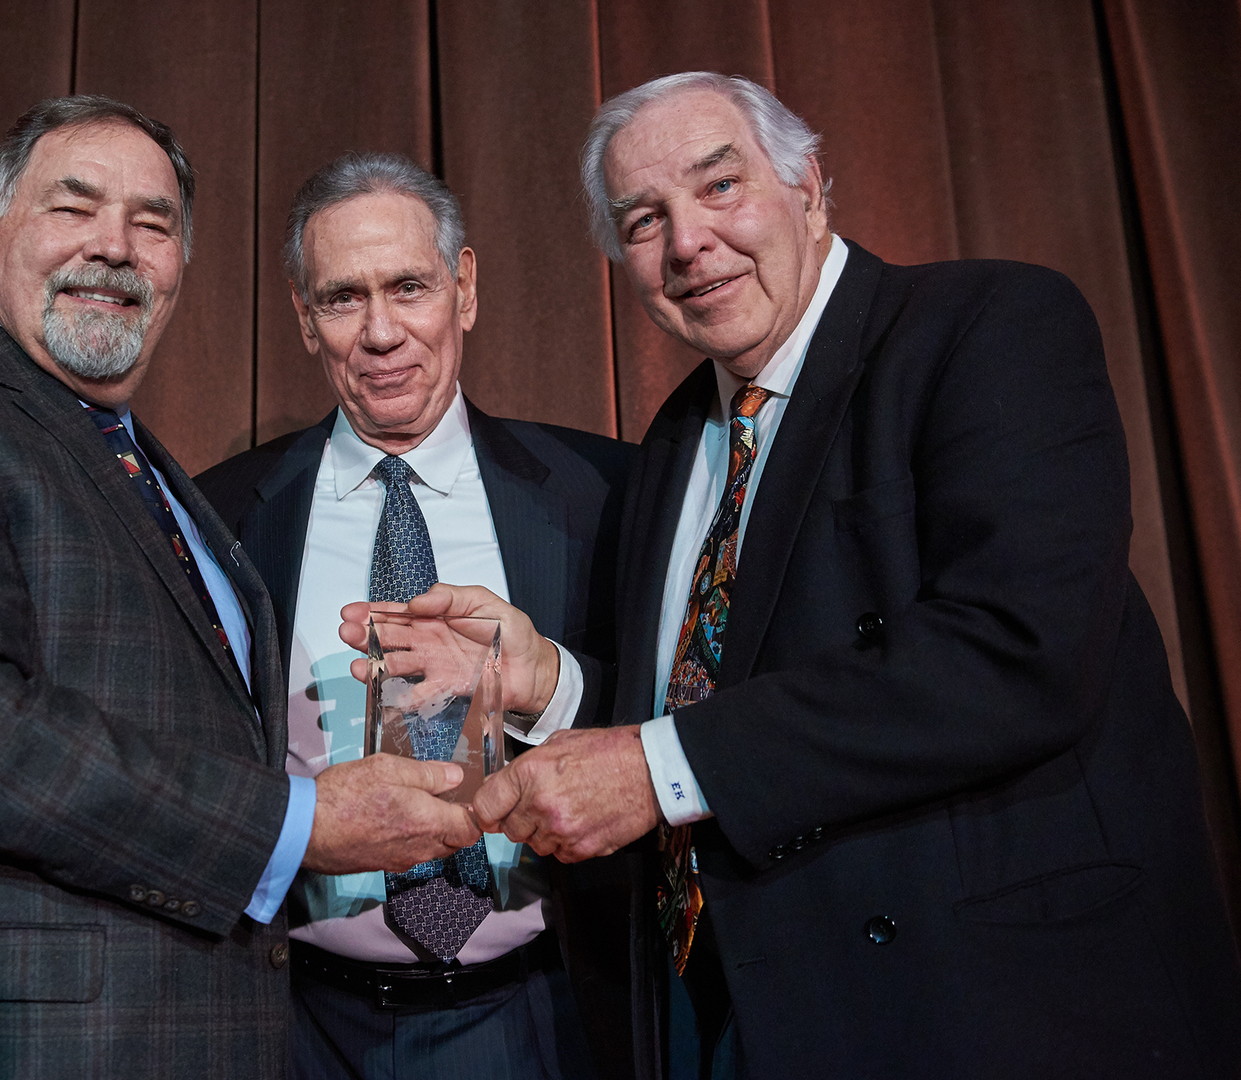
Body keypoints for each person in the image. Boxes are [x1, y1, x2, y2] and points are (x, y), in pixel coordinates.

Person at [354, 73, 1241, 1078]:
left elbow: (1014, 654)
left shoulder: (986, 325)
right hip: (740, 1009)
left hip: (988, 1010)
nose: (686, 241)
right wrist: (549, 682)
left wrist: (652, 768)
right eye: (643, 220)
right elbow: (725, 700)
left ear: (807, 186)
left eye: (718, 186)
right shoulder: (675, 443)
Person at [0, 97, 479, 1080]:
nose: (114, 248)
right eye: (72, 210)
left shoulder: (168, 485)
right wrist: (298, 824)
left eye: (152, 224)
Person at [196, 152, 636, 1080]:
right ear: (302, 316)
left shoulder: (606, 492)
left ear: (463, 288)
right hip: (296, 1026)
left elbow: (683, 716)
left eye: (408, 287)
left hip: (549, 1013)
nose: (381, 332)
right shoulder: (220, 517)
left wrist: (547, 687)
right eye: (343, 298)